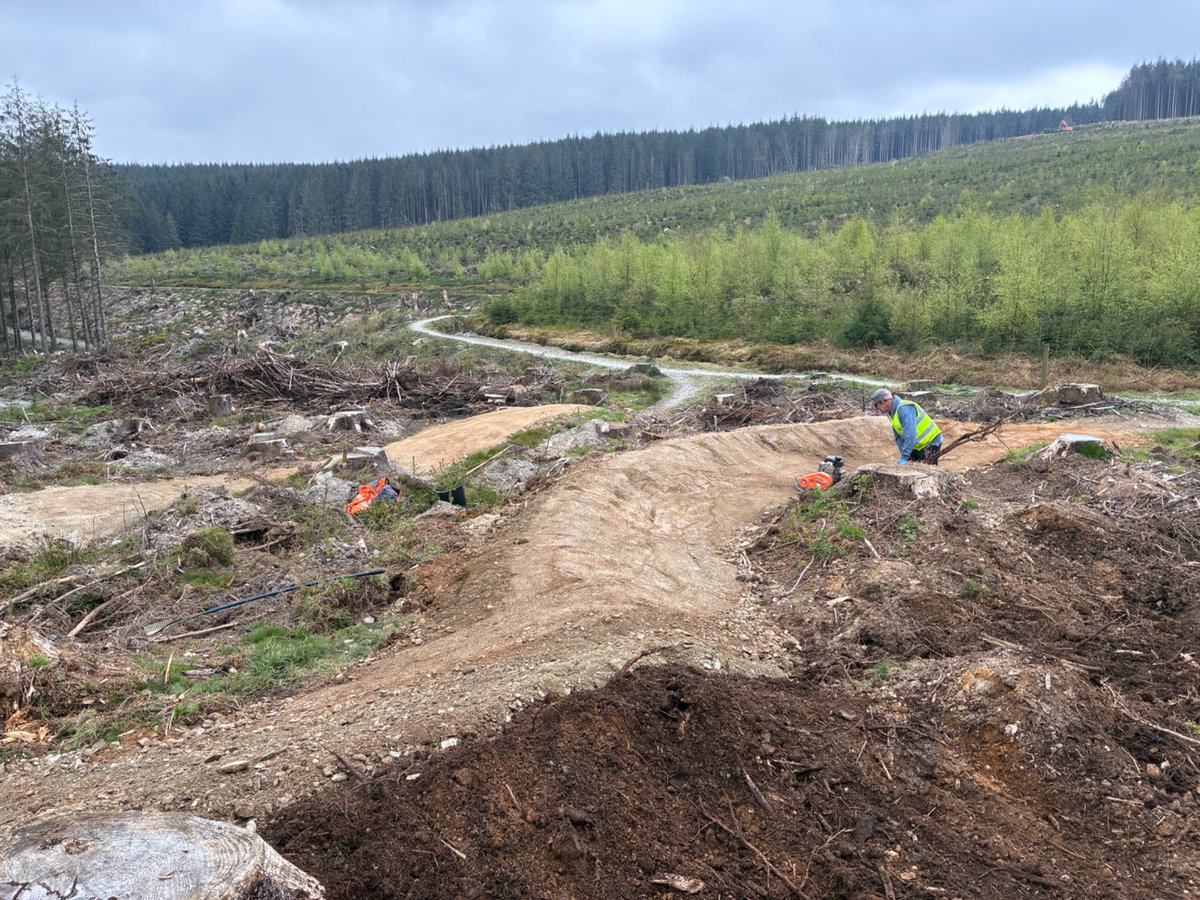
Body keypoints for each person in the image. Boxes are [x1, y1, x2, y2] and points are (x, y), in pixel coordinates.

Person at [869, 388, 942, 466]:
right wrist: (905, 456)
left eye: (876, 405)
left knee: (928, 469)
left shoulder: (904, 409)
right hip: (917, 444)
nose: (877, 409)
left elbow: (910, 435)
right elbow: (898, 437)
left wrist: (905, 456)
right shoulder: (891, 413)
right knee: (914, 467)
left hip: (930, 441)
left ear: (883, 401)